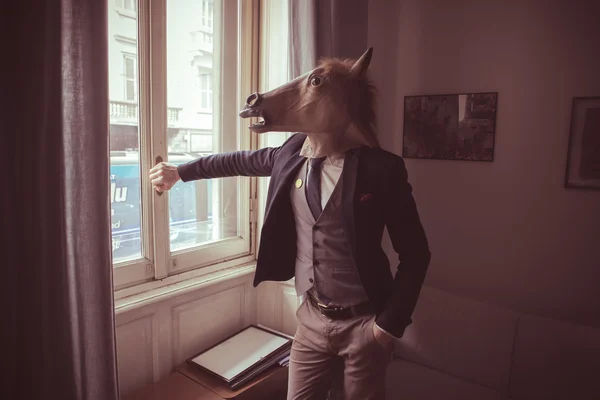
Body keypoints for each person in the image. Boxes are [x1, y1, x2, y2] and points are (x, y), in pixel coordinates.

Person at [149, 48, 431, 400]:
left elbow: (416, 254)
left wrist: (386, 327)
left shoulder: (382, 169)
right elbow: (238, 161)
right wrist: (181, 172)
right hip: (312, 318)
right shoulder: (292, 153)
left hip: (364, 322)